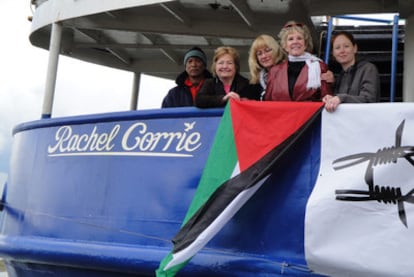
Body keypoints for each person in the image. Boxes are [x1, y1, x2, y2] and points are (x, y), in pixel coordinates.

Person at [264, 21, 332, 101]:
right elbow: (267, 102)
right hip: (280, 113)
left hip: (309, 113)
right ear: (285, 46)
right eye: (290, 39)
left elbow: (327, 98)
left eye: (299, 38)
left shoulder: (319, 67)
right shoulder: (274, 71)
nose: (295, 42)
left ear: (305, 44)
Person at [323, 31, 381, 112]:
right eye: (337, 48)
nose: (342, 51)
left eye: (346, 46)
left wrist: (341, 98)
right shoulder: (340, 76)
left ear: (355, 48)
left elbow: (369, 99)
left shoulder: (368, 69)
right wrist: (330, 98)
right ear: (333, 53)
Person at [246, 34, 286, 100]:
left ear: (276, 51)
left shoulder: (288, 73)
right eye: (259, 53)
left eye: (267, 50)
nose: (264, 56)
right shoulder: (256, 82)